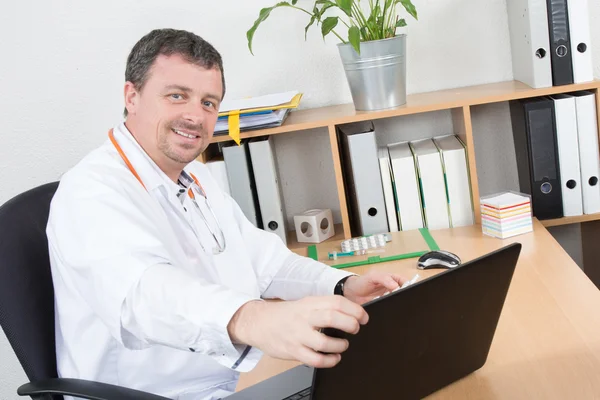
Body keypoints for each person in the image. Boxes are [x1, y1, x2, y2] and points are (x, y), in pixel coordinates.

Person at [46, 28, 405, 400]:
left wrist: (341, 285)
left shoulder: (194, 175)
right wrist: (253, 319)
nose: (195, 116)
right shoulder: (89, 192)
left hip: (232, 385)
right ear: (132, 96)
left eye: (208, 103)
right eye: (176, 96)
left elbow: (262, 260)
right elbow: (145, 295)